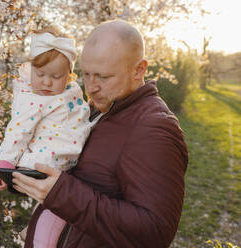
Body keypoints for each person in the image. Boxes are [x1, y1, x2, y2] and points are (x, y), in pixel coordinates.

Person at [12, 20, 188, 248]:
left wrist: (62, 195)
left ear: (139, 69)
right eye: (86, 74)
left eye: (103, 77)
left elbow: (154, 231)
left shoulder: (154, 128)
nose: (91, 87)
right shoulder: (99, 109)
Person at [0, 27, 100, 248]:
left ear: (69, 76)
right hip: (44, 163)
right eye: (40, 74)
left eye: (56, 77)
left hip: (64, 161)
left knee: (49, 209)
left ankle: (33, 229)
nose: (47, 83)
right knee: (53, 211)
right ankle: (37, 236)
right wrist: (3, 164)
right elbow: (17, 131)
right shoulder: (33, 99)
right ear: (31, 69)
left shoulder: (67, 90)